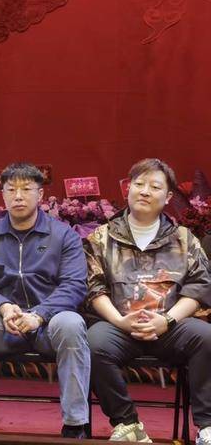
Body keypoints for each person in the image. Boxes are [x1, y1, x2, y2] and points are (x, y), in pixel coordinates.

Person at [0, 162, 90, 438]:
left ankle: (76, 425)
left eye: (26, 189)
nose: (18, 196)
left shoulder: (64, 236)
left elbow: (74, 285)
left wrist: (39, 315)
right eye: (11, 190)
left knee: (72, 324)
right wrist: (3, 307)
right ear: (2, 195)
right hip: (4, 323)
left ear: (40, 194)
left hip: (49, 323)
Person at [85, 158, 211, 443]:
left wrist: (168, 320)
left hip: (171, 326)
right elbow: (94, 287)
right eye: (138, 184)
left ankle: (207, 426)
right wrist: (120, 321)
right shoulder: (101, 237)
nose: (144, 191)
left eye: (154, 187)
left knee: (206, 337)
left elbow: (199, 286)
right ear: (127, 189)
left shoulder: (184, 238)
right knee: (92, 343)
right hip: (118, 326)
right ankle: (127, 423)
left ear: (167, 197)